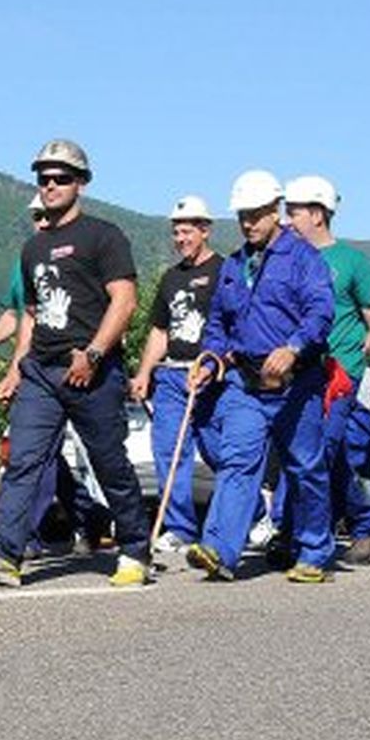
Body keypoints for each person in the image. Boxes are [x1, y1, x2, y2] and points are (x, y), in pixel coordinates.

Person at [0, 140, 152, 588]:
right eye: (44, 178)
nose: (51, 185)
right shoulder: (33, 248)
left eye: (61, 177)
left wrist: (94, 353)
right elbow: (33, 315)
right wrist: (17, 367)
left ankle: (135, 549)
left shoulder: (104, 235)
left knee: (108, 462)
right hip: (43, 369)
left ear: (81, 183)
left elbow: (126, 300)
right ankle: (4, 552)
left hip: (93, 371)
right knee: (23, 461)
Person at [186, 171, 334, 582]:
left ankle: (314, 552)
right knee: (237, 462)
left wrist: (293, 347)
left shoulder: (305, 259)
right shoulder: (233, 265)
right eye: (242, 216)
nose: (248, 223)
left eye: (255, 214)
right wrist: (211, 359)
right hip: (246, 383)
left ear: (275, 211)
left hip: (296, 383)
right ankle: (220, 550)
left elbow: (321, 312)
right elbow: (218, 322)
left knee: (304, 467)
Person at [268, 177, 370, 565]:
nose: (287, 220)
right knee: (325, 451)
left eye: (294, 212)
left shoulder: (352, 262)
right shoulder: (284, 257)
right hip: (300, 371)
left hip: (342, 373)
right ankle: (363, 522)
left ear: (318, 213)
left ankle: (295, 532)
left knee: (318, 449)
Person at [0, 195, 112, 559]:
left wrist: (14, 372)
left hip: (71, 367)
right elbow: (18, 316)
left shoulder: (77, 253)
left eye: (43, 215)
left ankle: (27, 535)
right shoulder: (29, 257)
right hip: (34, 368)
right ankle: (88, 515)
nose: (40, 221)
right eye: (35, 216)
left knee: (41, 455)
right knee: (36, 454)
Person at [127, 195, 224, 560]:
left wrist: (216, 366)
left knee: (218, 450)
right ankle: (180, 527)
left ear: (205, 230)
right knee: (167, 450)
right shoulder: (170, 278)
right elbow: (159, 332)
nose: (180, 238)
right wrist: (143, 372)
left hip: (211, 375)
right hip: (172, 375)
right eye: (176, 232)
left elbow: (232, 326)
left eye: (187, 231)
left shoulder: (224, 272)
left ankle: (254, 516)